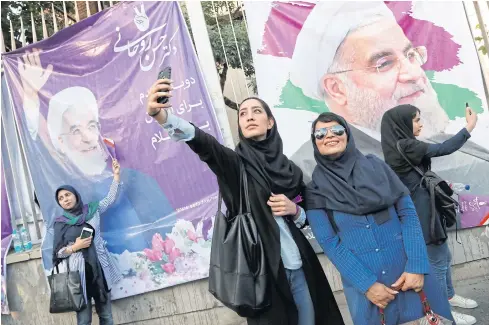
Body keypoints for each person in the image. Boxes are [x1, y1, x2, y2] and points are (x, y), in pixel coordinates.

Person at [146, 78, 344, 325]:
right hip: (262, 274)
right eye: (243, 113)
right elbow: (205, 145)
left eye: (257, 111)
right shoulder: (235, 166)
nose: (249, 117)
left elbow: (309, 214)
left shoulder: (290, 170)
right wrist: (163, 117)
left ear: (270, 122)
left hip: (299, 266)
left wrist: (295, 211)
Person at [288, 2, 489, 193]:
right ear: (337, 89)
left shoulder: (465, 152)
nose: (414, 73)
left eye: (410, 55)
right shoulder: (307, 168)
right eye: (384, 64)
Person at [18, 49, 174, 258]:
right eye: (75, 130)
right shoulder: (63, 191)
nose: (87, 137)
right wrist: (30, 100)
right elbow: (36, 151)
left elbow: (169, 237)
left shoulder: (139, 180)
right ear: (60, 142)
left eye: (92, 126)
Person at [305, 112, 454, 325]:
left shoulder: (377, 167)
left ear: (347, 135)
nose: (329, 135)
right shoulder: (315, 190)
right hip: (369, 292)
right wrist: (367, 285)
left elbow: (408, 214)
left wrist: (417, 266)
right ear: (315, 142)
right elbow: (329, 242)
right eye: (320, 133)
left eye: (337, 130)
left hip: (411, 277)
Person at [380, 104, 479, 325]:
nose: (420, 123)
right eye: (416, 120)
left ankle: (450, 296)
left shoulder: (398, 145)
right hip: (421, 212)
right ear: (402, 124)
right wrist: (469, 127)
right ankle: (443, 310)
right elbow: (443, 148)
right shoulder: (405, 145)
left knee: (443, 256)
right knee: (436, 260)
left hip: (426, 207)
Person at [53, 159, 122, 325]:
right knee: (84, 321)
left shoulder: (92, 210)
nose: (65, 199)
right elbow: (57, 253)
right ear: (60, 203)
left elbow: (110, 199)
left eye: (67, 195)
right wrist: (74, 247)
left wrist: (116, 176)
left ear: (75, 195)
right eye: (61, 198)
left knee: (106, 317)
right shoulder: (60, 222)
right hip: (78, 276)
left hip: (100, 271)